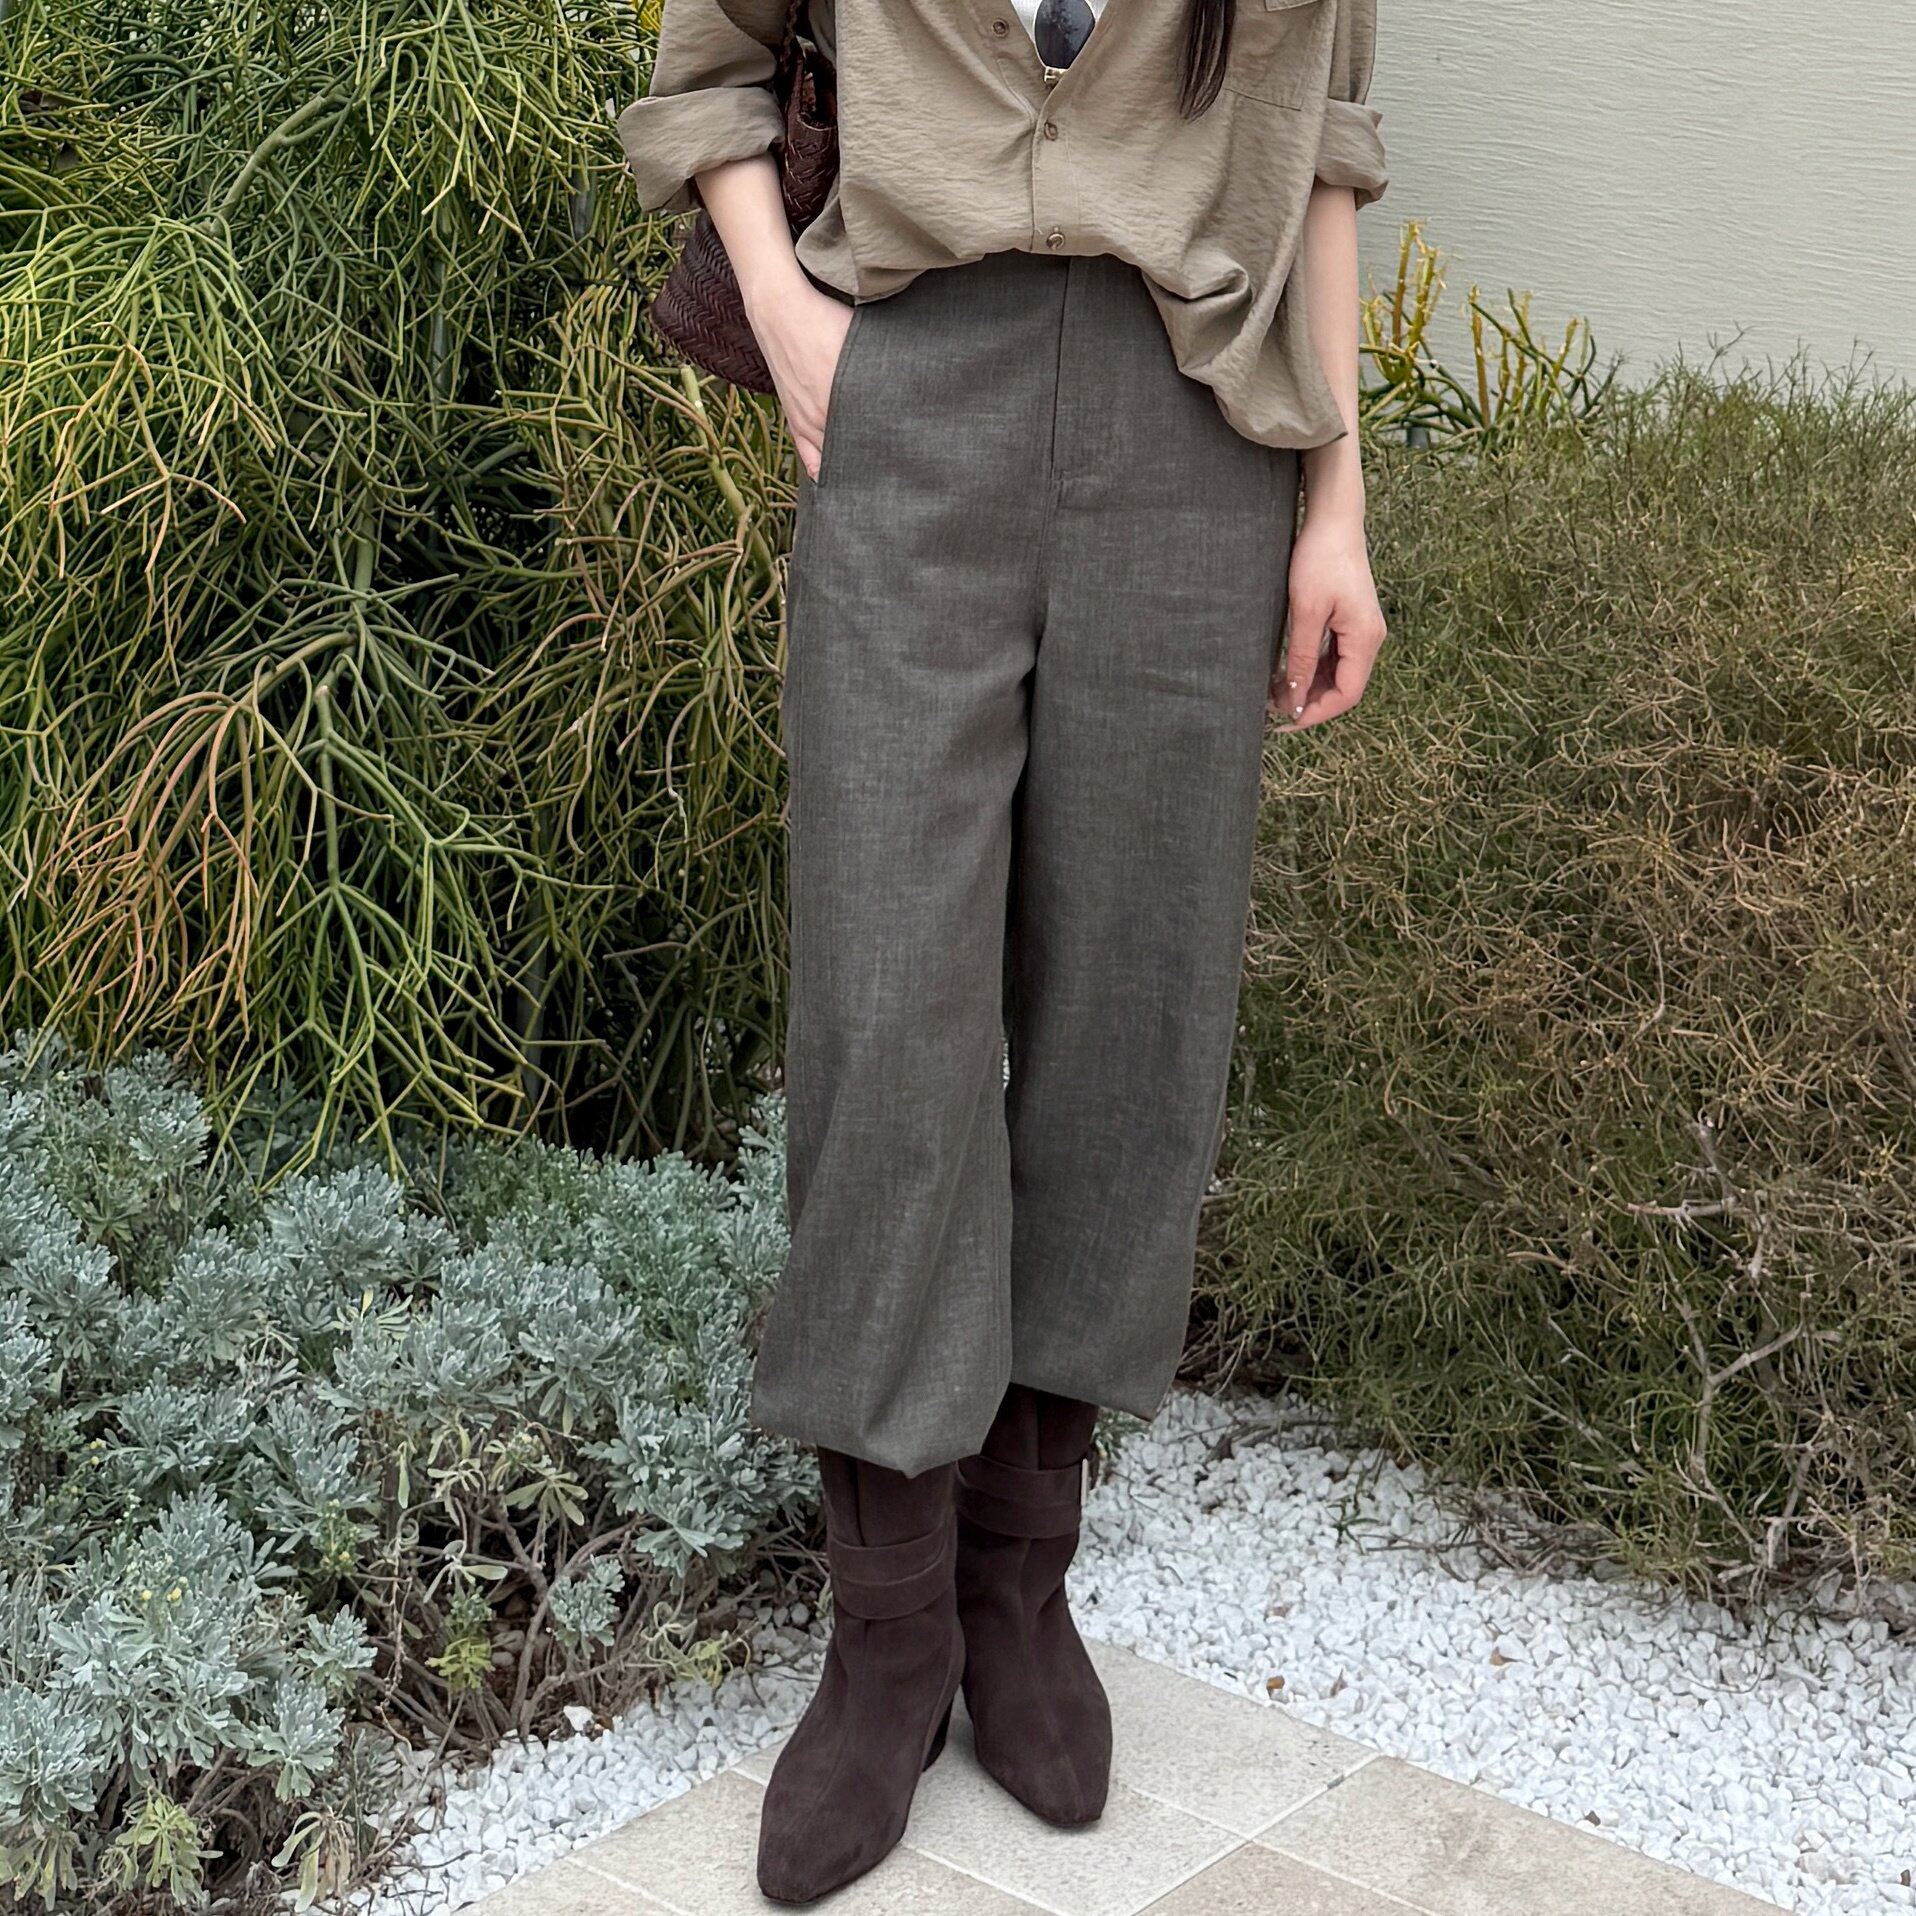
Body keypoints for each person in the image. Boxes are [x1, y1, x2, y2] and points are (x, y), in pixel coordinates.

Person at [618, 0, 1389, 1898]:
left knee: (1133, 1013)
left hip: (1192, 429)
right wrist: (789, 319)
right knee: (887, 1017)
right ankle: (886, 1632)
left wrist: (1338, 506)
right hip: (913, 396)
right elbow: (709, 72)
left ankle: (1019, 1579)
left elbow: (1328, 144)